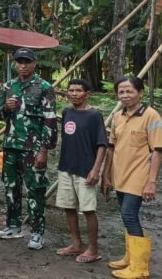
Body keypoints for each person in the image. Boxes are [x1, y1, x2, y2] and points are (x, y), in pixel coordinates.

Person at [101, 76, 162, 278]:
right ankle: (130, 257)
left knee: (129, 214)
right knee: (126, 216)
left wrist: (151, 182)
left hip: (139, 176)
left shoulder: (151, 116)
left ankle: (140, 268)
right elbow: (111, 148)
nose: (125, 95)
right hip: (119, 174)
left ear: (140, 93)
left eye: (129, 91)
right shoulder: (119, 116)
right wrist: (107, 174)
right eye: (121, 92)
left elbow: (158, 151)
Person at [0, 48, 57, 250]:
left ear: (34, 63)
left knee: (35, 189)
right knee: (11, 186)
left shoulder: (44, 87)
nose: (23, 65)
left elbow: (50, 119)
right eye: (19, 62)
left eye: (26, 61)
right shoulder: (9, 86)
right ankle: (13, 226)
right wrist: (6, 108)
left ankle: (37, 232)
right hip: (11, 144)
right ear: (15, 64)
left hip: (33, 147)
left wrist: (44, 150)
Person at [55, 79, 107, 263]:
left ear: (87, 94)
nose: (74, 94)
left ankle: (93, 249)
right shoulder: (66, 112)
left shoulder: (94, 116)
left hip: (86, 170)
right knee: (68, 206)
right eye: (71, 90)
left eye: (78, 90)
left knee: (88, 209)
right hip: (66, 167)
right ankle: (76, 244)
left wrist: (96, 169)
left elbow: (102, 144)